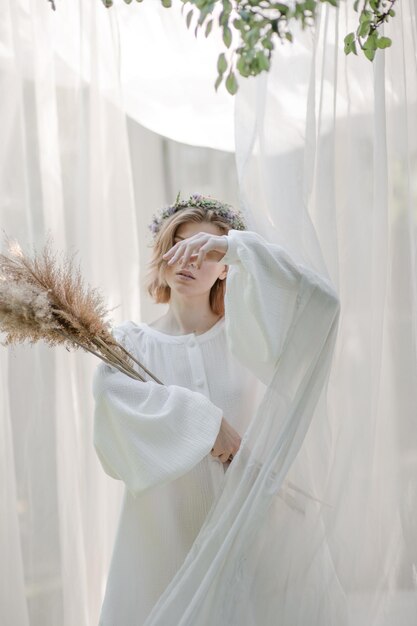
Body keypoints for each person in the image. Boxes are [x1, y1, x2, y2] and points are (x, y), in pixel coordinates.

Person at [92, 193, 343, 625]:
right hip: (166, 549)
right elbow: (114, 423)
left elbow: (323, 304)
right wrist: (207, 424)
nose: (189, 259)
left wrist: (240, 248)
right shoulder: (129, 347)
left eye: (207, 251)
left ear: (226, 267)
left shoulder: (251, 338)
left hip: (253, 539)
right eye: (180, 243)